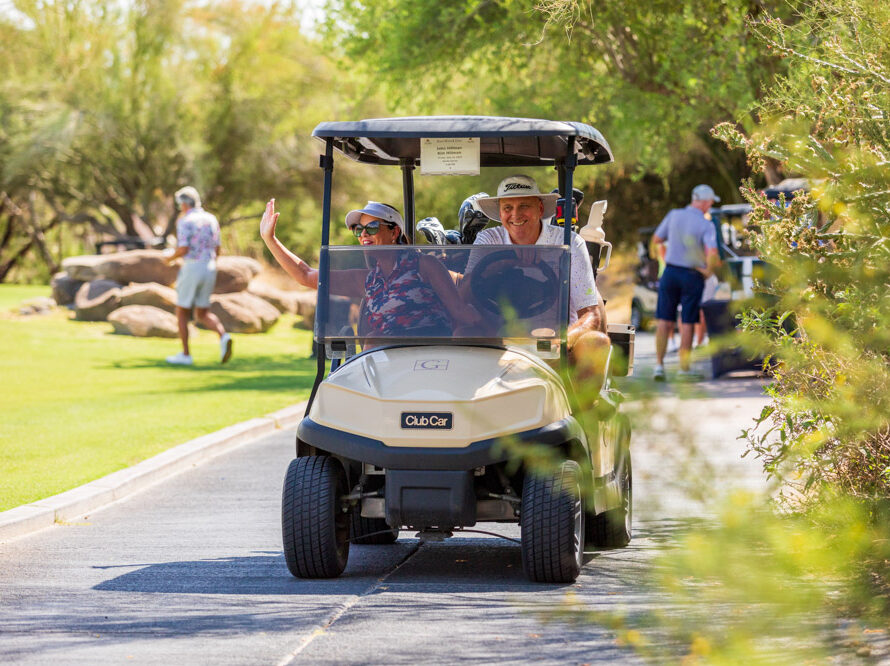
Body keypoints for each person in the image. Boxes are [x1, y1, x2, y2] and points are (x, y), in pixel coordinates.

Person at [259, 199, 479, 339]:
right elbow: (306, 275)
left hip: (430, 356)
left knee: (375, 339)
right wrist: (270, 240)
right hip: (387, 363)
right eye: (359, 229)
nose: (364, 234)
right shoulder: (368, 280)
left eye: (372, 227)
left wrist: (500, 331)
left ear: (394, 233)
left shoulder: (424, 265)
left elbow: (459, 312)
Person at [469, 175, 611, 390]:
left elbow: (591, 313)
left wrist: (562, 340)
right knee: (462, 331)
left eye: (524, 206)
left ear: (540, 209)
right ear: (500, 212)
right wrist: (505, 260)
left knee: (597, 343)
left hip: (555, 341)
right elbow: (466, 292)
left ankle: (582, 415)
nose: (515, 215)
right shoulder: (488, 240)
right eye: (508, 208)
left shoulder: (569, 242)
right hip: (498, 336)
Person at [652, 184, 721, 381]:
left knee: (664, 320)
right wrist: (708, 272)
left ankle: (659, 366)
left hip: (670, 271)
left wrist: (667, 259)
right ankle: (684, 369)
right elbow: (712, 253)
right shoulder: (706, 225)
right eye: (710, 203)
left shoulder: (674, 215)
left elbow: (657, 239)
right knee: (688, 321)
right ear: (706, 202)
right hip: (692, 275)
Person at [164, 186, 232, 366]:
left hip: (192, 266)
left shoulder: (186, 220)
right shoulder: (211, 218)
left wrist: (169, 258)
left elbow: (184, 248)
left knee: (181, 311)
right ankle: (224, 336)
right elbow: (218, 248)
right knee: (203, 312)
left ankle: (186, 354)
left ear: (185, 204)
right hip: (210, 266)